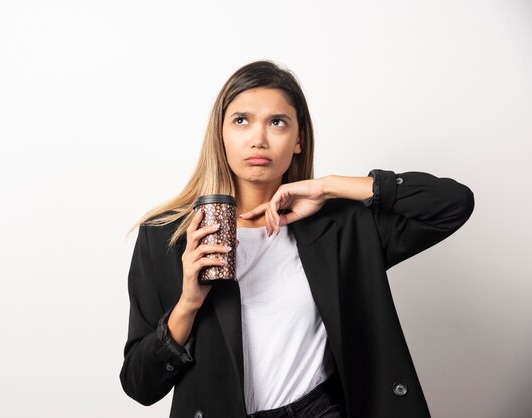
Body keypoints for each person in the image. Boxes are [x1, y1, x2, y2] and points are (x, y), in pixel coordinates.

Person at [119, 60, 474, 418]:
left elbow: (452, 204)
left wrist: (328, 186)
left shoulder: (341, 227)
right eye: (241, 120)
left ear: (298, 140)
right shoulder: (167, 236)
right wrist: (188, 304)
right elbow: (139, 385)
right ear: (220, 135)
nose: (258, 138)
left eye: (277, 122)